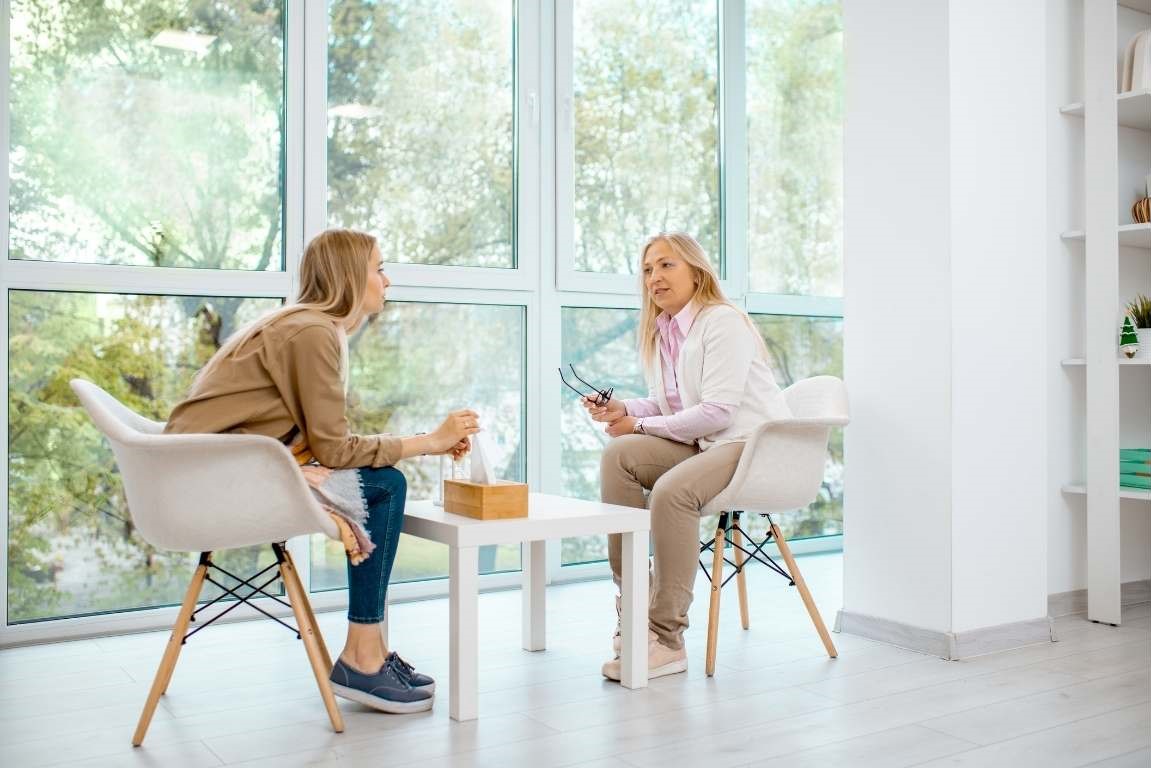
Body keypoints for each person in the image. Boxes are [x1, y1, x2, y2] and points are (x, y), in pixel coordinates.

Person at [166, 228, 479, 713]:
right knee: (386, 487)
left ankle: (366, 652)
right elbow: (335, 448)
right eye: (378, 268)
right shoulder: (312, 332)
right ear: (351, 276)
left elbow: (312, 441)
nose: (387, 280)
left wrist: (293, 464)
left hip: (211, 471)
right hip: (209, 482)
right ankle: (362, 656)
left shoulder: (307, 325)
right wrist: (429, 442)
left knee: (379, 483)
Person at [583, 232, 790, 681]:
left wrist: (639, 424)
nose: (654, 278)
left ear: (696, 272)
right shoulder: (665, 331)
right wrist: (625, 411)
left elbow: (716, 411)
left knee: (672, 493)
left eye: (666, 266)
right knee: (619, 456)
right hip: (708, 445)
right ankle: (633, 607)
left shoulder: (722, 322)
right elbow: (669, 403)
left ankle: (667, 638)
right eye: (646, 270)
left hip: (752, 446)